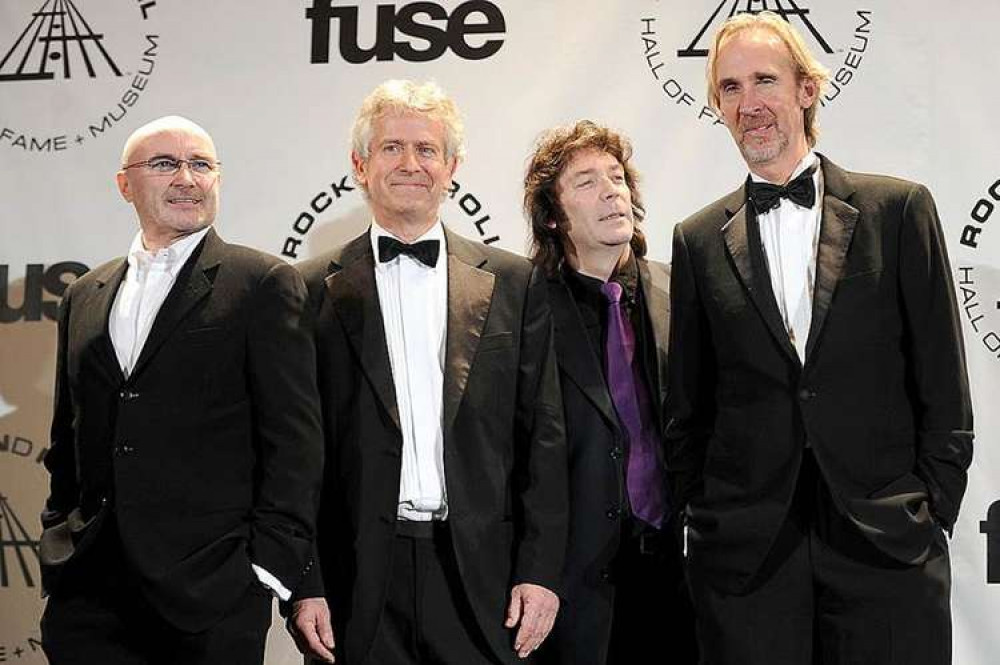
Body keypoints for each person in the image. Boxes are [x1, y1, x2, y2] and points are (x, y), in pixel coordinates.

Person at [667, 11, 974, 664]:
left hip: (886, 546)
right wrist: (708, 519)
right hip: (748, 561)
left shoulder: (898, 211)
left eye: (764, 80)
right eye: (729, 88)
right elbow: (687, 410)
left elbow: (944, 386)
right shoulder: (695, 240)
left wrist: (929, 514)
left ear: (808, 89)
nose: (748, 104)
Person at [291, 80, 568, 665]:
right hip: (355, 580)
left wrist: (539, 571)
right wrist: (305, 579)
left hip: (484, 578)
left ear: (452, 167)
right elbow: (294, 453)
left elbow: (543, 436)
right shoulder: (307, 288)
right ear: (360, 165)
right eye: (391, 148)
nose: (410, 164)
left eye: (427, 149)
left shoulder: (514, 283)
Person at [38, 115, 324, 664]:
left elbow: (296, 442)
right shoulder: (85, 295)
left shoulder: (261, 282)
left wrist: (264, 568)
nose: (187, 178)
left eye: (201, 165)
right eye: (166, 164)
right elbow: (68, 435)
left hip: (210, 595)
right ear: (125, 184)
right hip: (88, 594)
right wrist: (59, 538)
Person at [523, 120, 697, 665]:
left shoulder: (681, 291)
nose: (611, 191)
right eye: (586, 182)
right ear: (552, 216)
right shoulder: (524, 308)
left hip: (679, 579)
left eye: (617, 177)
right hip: (573, 589)